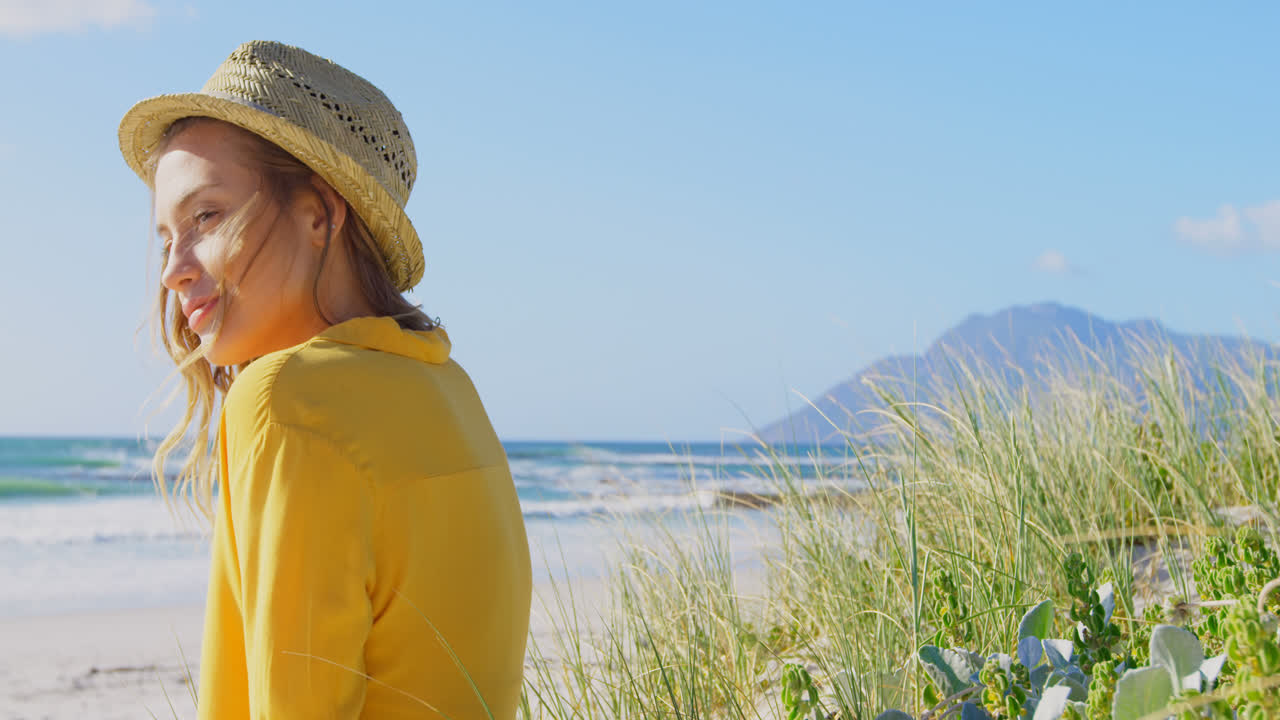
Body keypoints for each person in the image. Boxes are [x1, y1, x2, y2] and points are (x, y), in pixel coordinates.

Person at [118, 40, 532, 719]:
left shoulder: (288, 400)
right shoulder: (448, 386)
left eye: (207, 217)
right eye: (167, 236)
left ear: (320, 213)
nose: (174, 269)